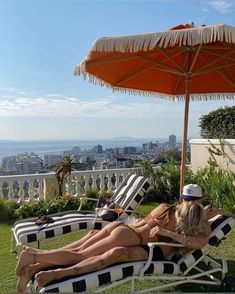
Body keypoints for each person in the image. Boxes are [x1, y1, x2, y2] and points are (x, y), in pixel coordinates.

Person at [16, 201, 210, 292]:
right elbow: (200, 242)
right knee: (80, 255)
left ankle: (34, 264)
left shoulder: (165, 208)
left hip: (120, 227)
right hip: (129, 237)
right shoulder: (183, 227)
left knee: (79, 249)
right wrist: (170, 233)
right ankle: (33, 257)